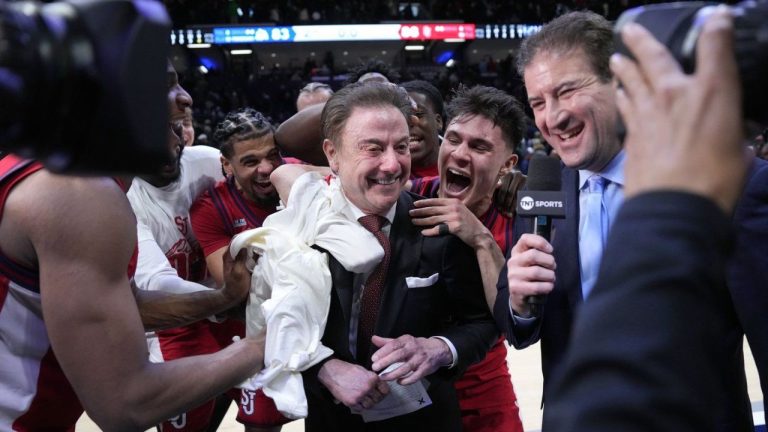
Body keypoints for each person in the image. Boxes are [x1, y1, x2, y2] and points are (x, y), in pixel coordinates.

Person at [494, 10, 767, 430]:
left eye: (567, 91)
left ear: (621, 82)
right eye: (538, 102)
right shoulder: (544, 189)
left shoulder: (730, 183)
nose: (552, 117)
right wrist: (518, 303)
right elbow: (517, 328)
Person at [0, 80, 265, 432]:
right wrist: (264, 343)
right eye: (163, 82)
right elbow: (126, 404)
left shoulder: (51, 165)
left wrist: (223, 299)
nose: (186, 97)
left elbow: (126, 304)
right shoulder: (77, 193)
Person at [300, 82, 497, 431]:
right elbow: (272, 331)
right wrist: (322, 368)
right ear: (332, 154)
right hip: (330, 422)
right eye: (373, 148)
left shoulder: (443, 226)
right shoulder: (297, 229)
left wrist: (438, 348)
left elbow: (482, 323)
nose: (392, 165)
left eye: (402, 147)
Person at [127, 63, 249, 432]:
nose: (172, 146)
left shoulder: (209, 161)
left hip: (229, 312)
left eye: (176, 131)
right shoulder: (120, 197)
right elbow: (156, 283)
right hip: (174, 326)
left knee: (264, 414)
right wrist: (227, 297)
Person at [408, 84, 526, 432]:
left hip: (484, 395)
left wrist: (481, 239)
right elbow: (293, 170)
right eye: (454, 139)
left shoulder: (519, 220)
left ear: (507, 165)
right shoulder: (412, 196)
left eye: (479, 146)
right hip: (410, 394)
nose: (459, 154)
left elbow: (513, 323)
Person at [190, 108, 292, 432]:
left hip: (288, 332)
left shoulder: (296, 179)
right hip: (237, 334)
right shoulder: (210, 207)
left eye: (273, 155)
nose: (266, 169)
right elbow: (237, 290)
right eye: (250, 161)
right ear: (226, 165)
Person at [400, 80, 443, 179]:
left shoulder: (462, 166)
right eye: (401, 116)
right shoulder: (384, 174)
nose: (408, 122)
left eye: (418, 114)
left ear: (438, 121)